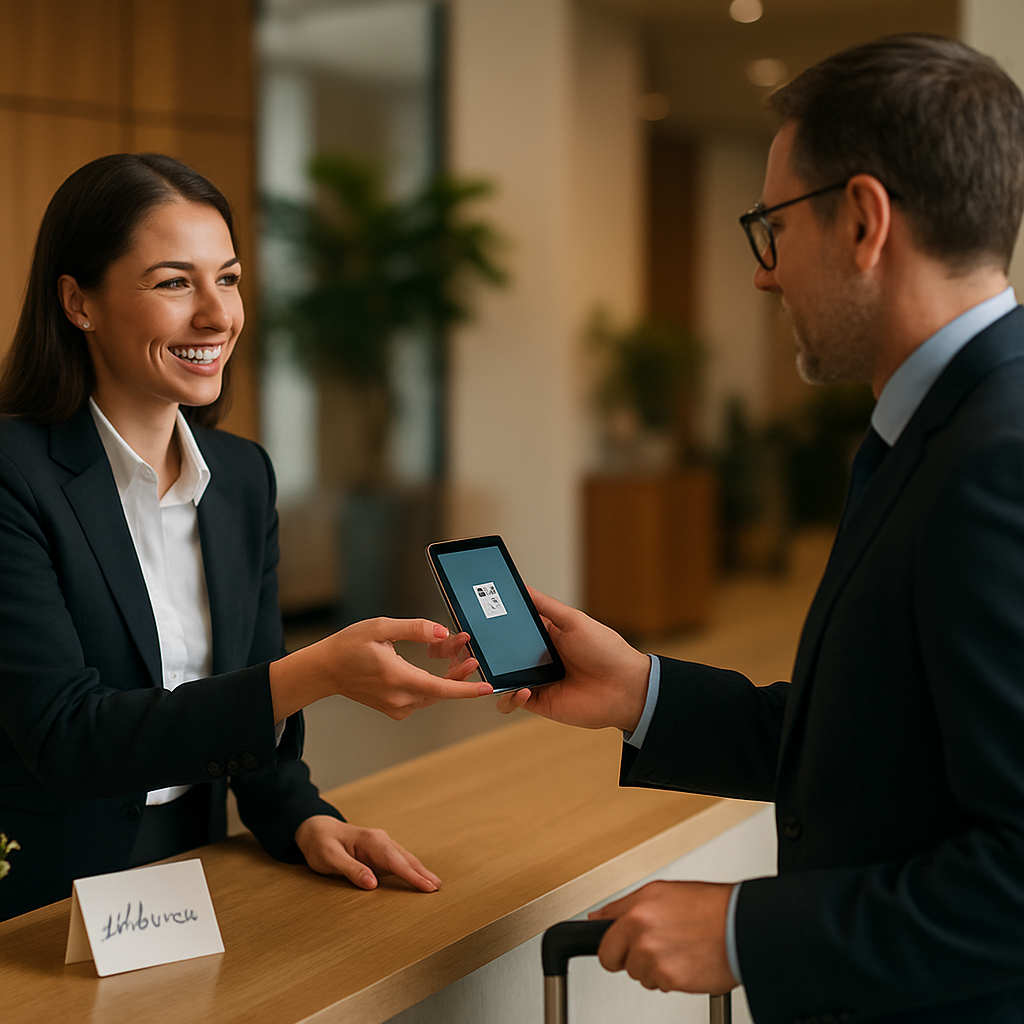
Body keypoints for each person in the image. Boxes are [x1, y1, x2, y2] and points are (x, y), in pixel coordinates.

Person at [493, 34, 1024, 1023]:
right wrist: (642, 691)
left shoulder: (995, 459)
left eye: (771, 228)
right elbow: (879, 750)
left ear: (863, 221)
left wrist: (744, 931)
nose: (763, 274)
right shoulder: (938, 427)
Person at [0, 153, 487, 922]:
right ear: (78, 302)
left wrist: (303, 818)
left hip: (191, 867)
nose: (217, 315)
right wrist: (317, 671)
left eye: (226, 278)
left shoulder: (242, 476)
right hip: (40, 894)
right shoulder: (13, 474)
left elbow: (246, 719)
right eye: (173, 282)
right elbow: (70, 737)